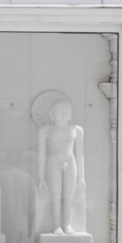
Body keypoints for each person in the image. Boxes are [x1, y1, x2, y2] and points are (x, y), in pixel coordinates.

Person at [37, 98, 85, 235]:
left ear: (71, 114)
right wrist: (41, 178)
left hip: (70, 160)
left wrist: (82, 178)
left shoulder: (77, 130)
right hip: (53, 160)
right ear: (52, 114)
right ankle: (57, 225)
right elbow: (41, 154)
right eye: (60, 112)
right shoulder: (45, 130)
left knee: (69, 193)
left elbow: (80, 154)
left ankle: (68, 225)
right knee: (55, 193)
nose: (64, 115)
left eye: (67, 112)